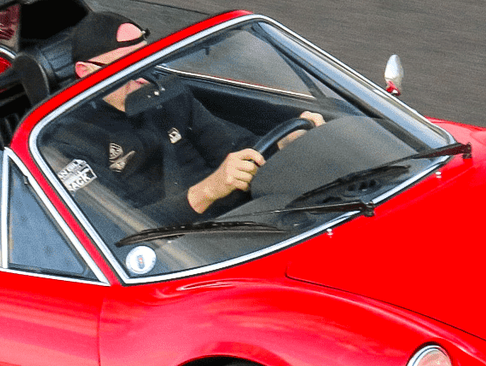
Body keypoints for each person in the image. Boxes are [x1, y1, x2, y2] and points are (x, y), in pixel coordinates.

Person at [40, 12, 317, 232]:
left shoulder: (166, 95)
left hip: (242, 219)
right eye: (126, 68)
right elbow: (115, 231)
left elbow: (231, 146)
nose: (142, 77)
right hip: (175, 254)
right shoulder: (67, 143)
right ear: (85, 73)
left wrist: (283, 143)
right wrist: (208, 191)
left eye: (145, 61)